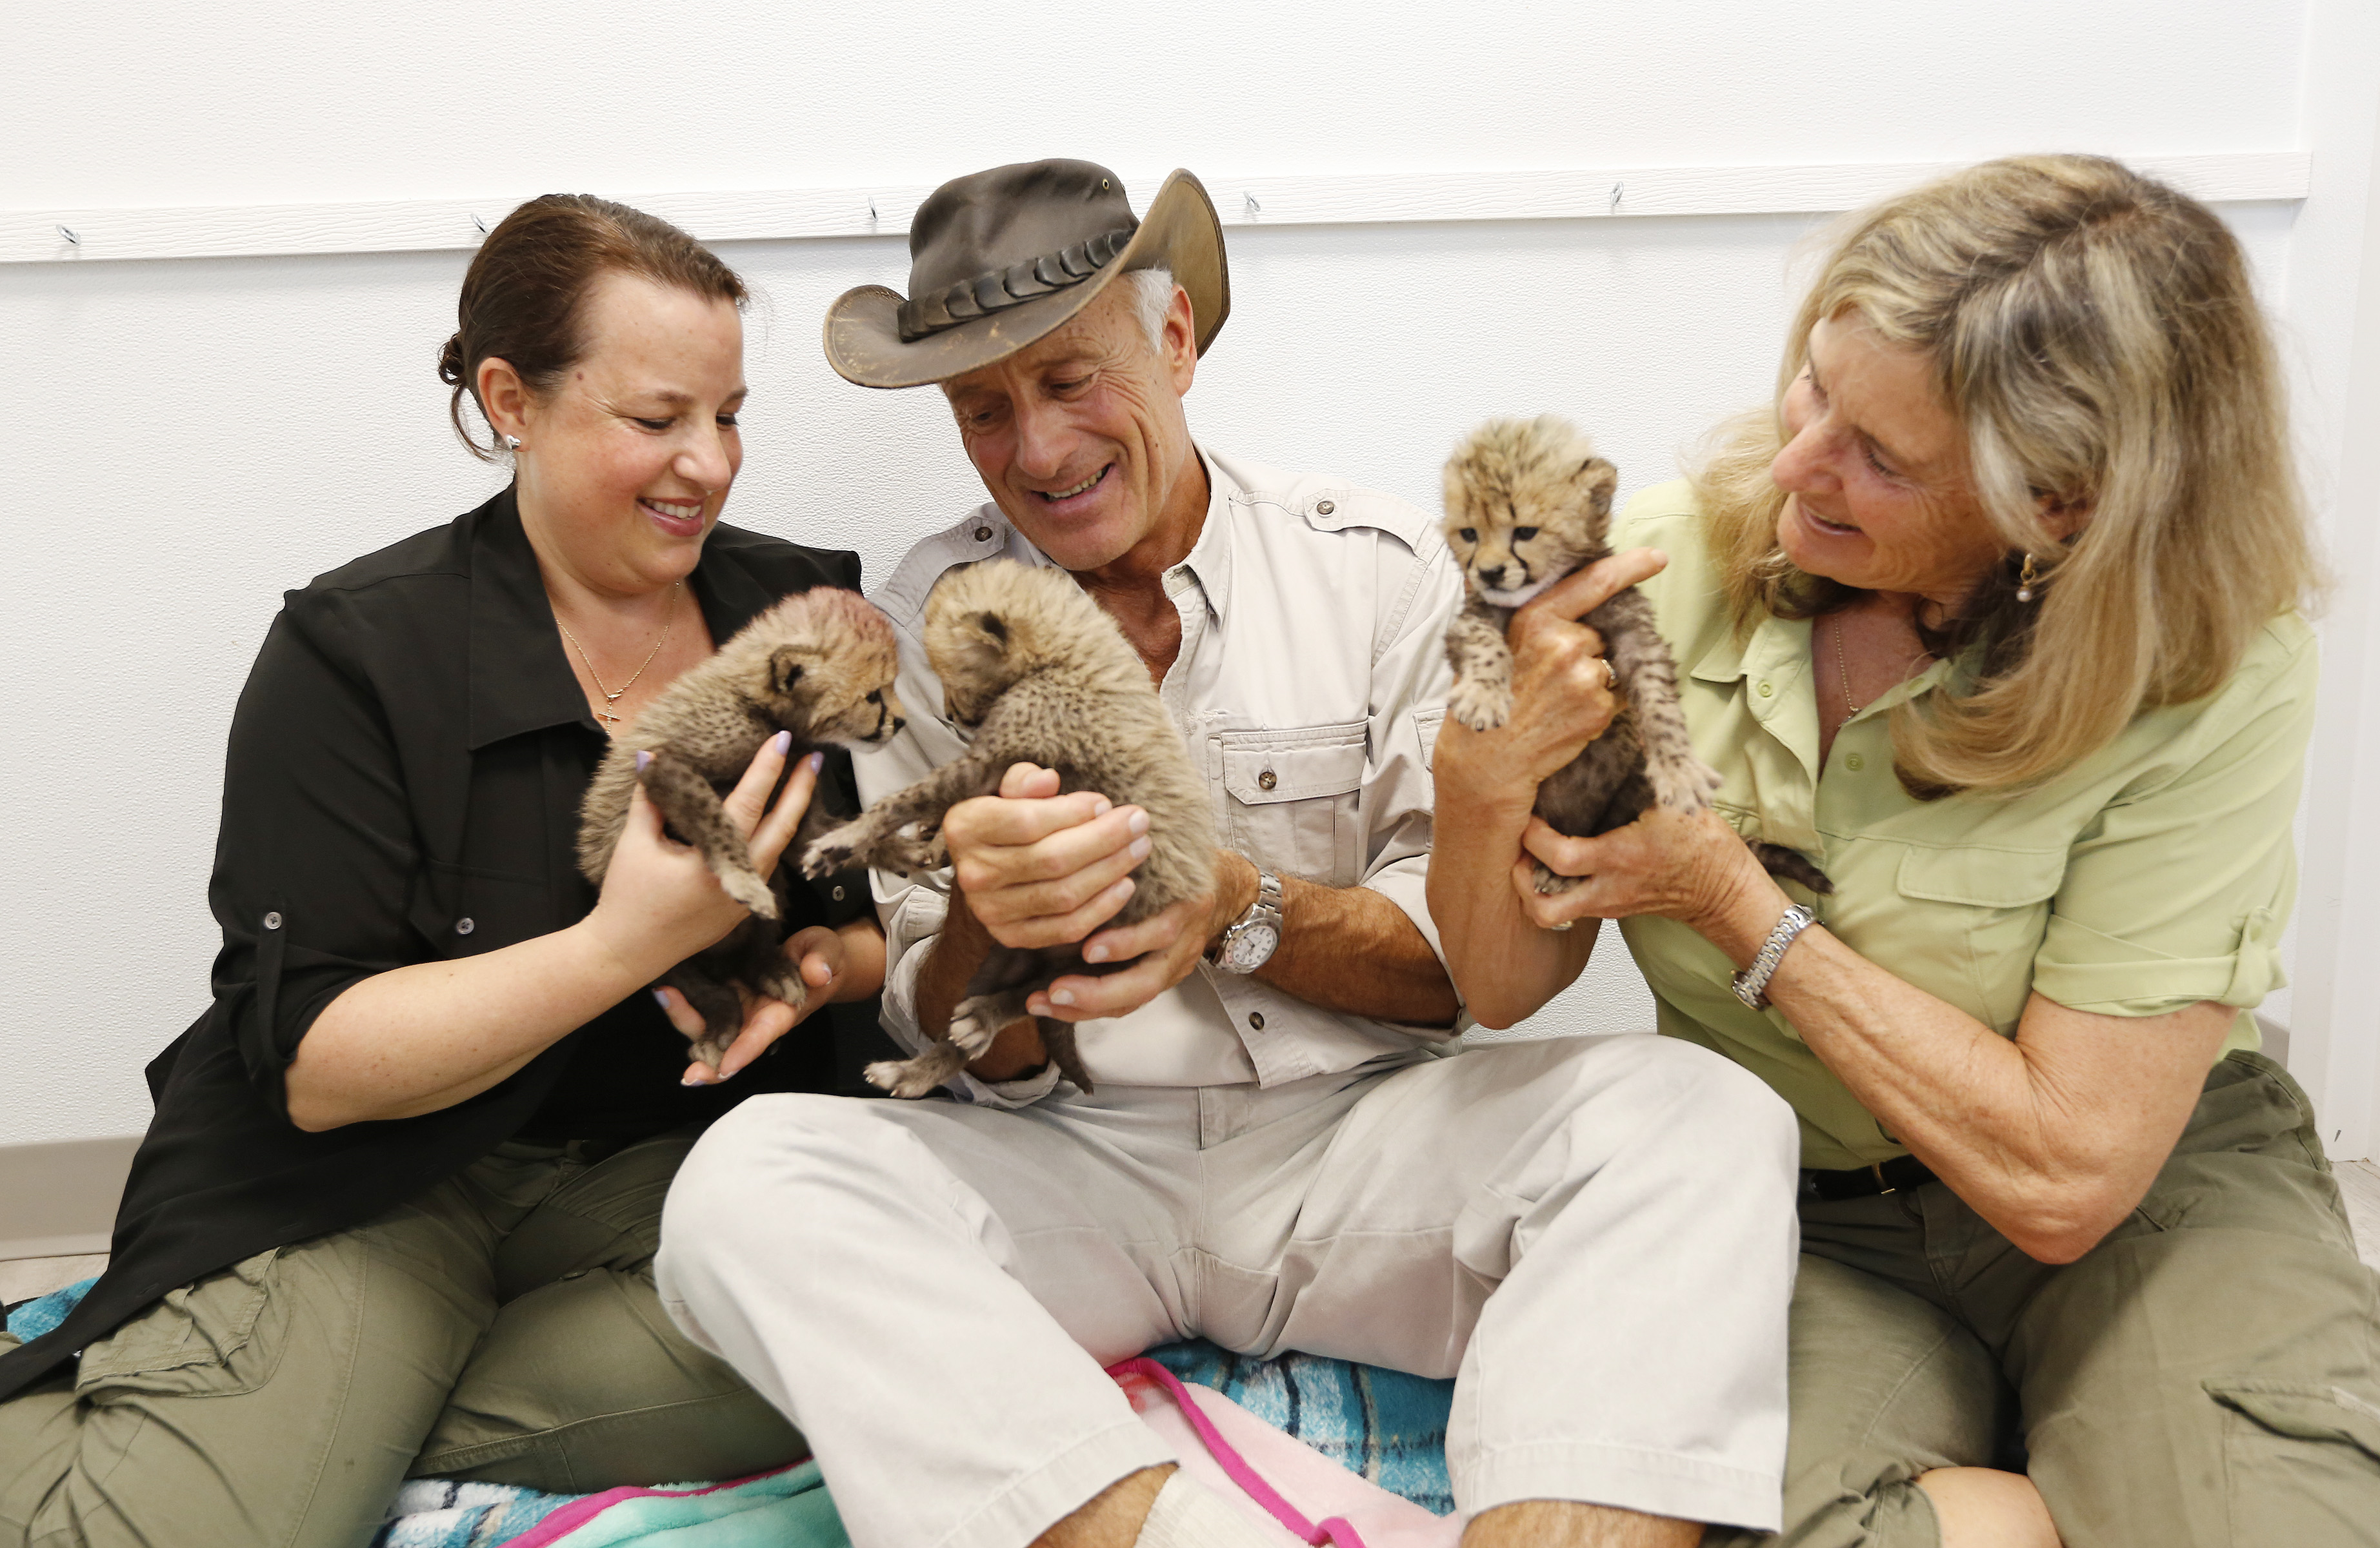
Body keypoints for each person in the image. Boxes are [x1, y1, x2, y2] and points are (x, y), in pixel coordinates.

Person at [655, 159, 1803, 1548]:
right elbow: (959, 1041)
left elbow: (1453, 978)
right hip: (1067, 1167)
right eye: (982, 409)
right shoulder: (911, 625)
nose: (1035, 449)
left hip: (1361, 1150)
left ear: (1177, 339)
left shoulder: (1375, 572)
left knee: (1702, 1117)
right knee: (745, 1184)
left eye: (1070, 378)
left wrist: (1234, 906)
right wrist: (987, 925)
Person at [1429, 154, 2380, 1547]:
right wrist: (1474, 787)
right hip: (1803, 1206)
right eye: (1814, 386)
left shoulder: (2212, 666)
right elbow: (1505, 984)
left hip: (2142, 1195)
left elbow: (2066, 1178)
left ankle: (2135, 1441)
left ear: (2057, 502)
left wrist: (1733, 903)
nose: (1795, 464)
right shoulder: (1654, 567)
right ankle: (2091, 1476)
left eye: (1880, 456)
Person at [0, 195, 888, 1547]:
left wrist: (823, 965)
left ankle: (334, 1412)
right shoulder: (356, 651)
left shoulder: (796, 616)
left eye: (728, 414)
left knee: (882, 1348)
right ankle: (228, 1416)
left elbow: (877, 926)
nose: (706, 464)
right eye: (656, 420)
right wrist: (624, 946)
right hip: (384, 1180)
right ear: (508, 400)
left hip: (662, 1174)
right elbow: (315, 1067)